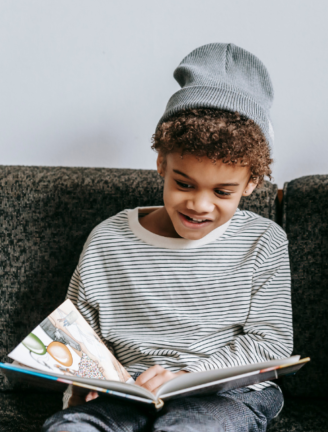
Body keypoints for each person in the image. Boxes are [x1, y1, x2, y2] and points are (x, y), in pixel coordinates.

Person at [43, 43, 292, 432]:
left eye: (222, 192)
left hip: (224, 394)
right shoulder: (109, 240)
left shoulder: (264, 241)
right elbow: (80, 332)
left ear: (252, 183)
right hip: (130, 390)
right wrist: (83, 381)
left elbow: (270, 343)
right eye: (183, 183)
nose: (199, 205)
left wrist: (186, 376)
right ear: (161, 162)